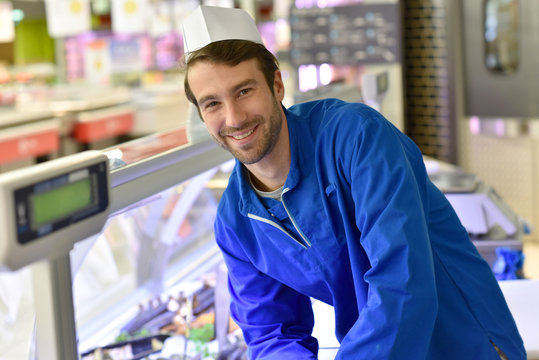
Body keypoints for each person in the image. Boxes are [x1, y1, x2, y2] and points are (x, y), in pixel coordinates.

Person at [181, 5, 525, 360]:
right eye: (212, 104)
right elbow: (271, 333)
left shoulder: (357, 138)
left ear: (277, 85)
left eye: (243, 91)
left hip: (460, 342)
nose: (233, 118)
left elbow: (402, 281)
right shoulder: (236, 222)